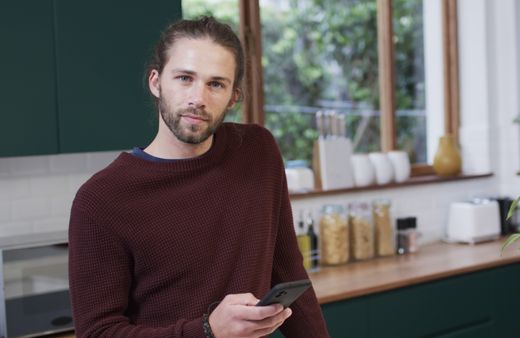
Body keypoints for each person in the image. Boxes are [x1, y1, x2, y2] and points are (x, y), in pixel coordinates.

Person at [68, 16, 329, 338]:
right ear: (156, 82)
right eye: (184, 78)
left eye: (215, 84)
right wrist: (207, 330)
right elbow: (97, 333)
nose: (198, 98)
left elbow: (287, 269)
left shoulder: (258, 152)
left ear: (234, 96)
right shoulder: (102, 198)